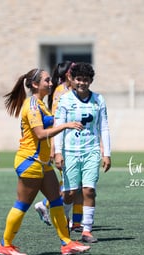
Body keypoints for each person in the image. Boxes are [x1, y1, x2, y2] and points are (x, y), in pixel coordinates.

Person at [0, 68, 91, 255]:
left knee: (56, 200)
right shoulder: (31, 105)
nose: (50, 83)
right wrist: (64, 125)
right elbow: (40, 134)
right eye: (47, 80)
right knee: (22, 204)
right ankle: (5, 245)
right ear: (35, 84)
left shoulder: (40, 103)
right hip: (29, 161)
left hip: (42, 162)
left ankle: (66, 243)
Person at [54, 62, 111, 243]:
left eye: (86, 80)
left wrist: (106, 153)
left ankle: (86, 230)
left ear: (91, 81)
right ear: (71, 79)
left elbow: (104, 127)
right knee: (70, 194)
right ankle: (62, 222)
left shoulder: (98, 100)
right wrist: (58, 152)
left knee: (89, 191)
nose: (82, 83)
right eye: (79, 79)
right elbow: (58, 127)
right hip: (70, 151)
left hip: (91, 151)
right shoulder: (65, 100)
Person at [34, 61, 84, 232]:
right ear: (67, 75)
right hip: (60, 142)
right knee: (73, 182)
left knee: (75, 182)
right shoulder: (61, 93)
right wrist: (55, 149)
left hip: (71, 141)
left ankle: (75, 222)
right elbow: (57, 121)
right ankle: (47, 205)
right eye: (74, 72)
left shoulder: (70, 91)